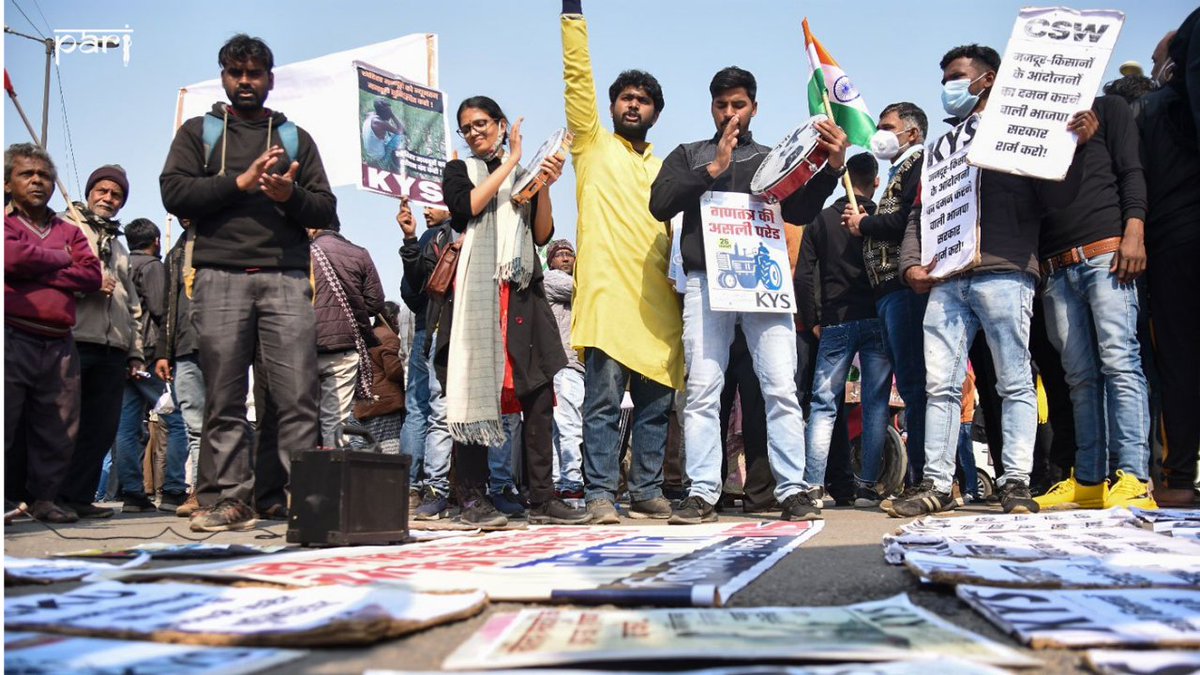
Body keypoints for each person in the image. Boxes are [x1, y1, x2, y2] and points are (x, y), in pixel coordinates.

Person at [894, 44, 1094, 518]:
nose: (950, 88)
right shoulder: (941, 149)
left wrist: (1076, 148)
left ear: (988, 79)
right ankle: (937, 483)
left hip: (1005, 271)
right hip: (945, 280)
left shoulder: (1025, 131)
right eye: (944, 79)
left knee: (1014, 380)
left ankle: (1017, 482)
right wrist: (909, 265)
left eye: (958, 77)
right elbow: (919, 215)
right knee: (941, 385)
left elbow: (1059, 197)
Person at [649, 66, 848, 523]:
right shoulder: (688, 154)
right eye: (721, 105)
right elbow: (660, 203)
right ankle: (702, 492)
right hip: (705, 282)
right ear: (711, 108)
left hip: (763, 281)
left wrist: (832, 169)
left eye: (738, 105)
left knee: (780, 386)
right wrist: (713, 170)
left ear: (754, 107)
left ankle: (793, 489)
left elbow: (799, 208)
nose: (730, 113)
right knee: (702, 390)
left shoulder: (773, 158)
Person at [160, 33, 335, 531]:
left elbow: (326, 208)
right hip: (219, 277)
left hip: (284, 279)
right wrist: (236, 184)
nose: (244, 82)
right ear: (223, 77)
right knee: (225, 394)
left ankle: (305, 499)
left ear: (269, 80)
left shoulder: (296, 138)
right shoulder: (199, 133)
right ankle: (231, 499)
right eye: (236, 73)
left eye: (254, 73)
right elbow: (174, 191)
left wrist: (287, 195)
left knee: (297, 395)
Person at [436, 95, 590, 527]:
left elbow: (541, 236)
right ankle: (470, 497)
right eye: (467, 127)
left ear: (502, 125)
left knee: (539, 396)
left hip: (522, 293)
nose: (474, 132)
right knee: (474, 391)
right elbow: (467, 207)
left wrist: (542, 185)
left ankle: (542, 498)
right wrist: (515, 161)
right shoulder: (459, 171)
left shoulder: (523, 174)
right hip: (477, 297)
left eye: (482, 123)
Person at [562, 0, 683, 523]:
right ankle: (600, 495)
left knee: (656, 408)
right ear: (610, 107)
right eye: (626, 98)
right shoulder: (591, 145)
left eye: (644, 100)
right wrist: (572, 16)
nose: (634, 105)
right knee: (604, 406)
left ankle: (648, 489)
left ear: (656, 111)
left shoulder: (667, 163)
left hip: (660, 301)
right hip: (609, 299)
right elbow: (577, 79)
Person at [1034, 94, 1156, 511]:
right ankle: (1089, 478)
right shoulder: (1032, 125)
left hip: (1105, 254)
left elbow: (1132, 171)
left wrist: (1134, 232)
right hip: (1055, 267)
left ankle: (1134, 477)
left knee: (1120, 361)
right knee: (1079, 377)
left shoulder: (1107, 108)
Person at [4, 143, 102, 523]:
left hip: (60, 341)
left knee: (58, 426)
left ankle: (45, 499)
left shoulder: (68, 229)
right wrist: (61, 260)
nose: (37, 182)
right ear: (8, 183)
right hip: (11, 334)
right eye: (27, 174)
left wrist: (34, 267)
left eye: (44, 175)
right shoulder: (6, 223)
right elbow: (8, 258)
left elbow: (91, 275)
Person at [797, 152, 893, 508]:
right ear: (877, 181)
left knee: (823, 404)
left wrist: (814, 319)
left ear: (844, 180)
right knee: (875, 403)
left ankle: (813, 486)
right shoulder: (883, 219)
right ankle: (866, 486)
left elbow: (805, 275)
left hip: (835, 320)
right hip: (876, 318)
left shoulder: (820, 221)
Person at [843, 102, 929, 494]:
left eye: (887, 126)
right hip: (887, 292)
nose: (880, 133)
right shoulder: (900, 170)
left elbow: (906, 221)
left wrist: (866, 223)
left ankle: (921, 476)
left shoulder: (920, 166)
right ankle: (918, 476)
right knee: (909, 382)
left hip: (903, 285)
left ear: (911, 133)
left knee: (914, 381)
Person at [58, 164, 146, 520]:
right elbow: (49, 277)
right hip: (74, 339)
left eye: (116, 195)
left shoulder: (121, 247)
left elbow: (133, 305)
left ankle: (78, 497)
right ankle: (45, 497)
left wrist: (135, 352)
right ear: (90, 191)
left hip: (113, 349)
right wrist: (87, 283)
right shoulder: (65, 227)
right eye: (103, 191)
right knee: (62, 425)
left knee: (101, 428)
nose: (108, 199)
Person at [1140, 11, 1200, 507]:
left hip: (1174, 243)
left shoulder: (1152, 110)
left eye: (1159, 58)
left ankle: (1179, 476)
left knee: (1178, 359)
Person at [114, 218, 190, 513]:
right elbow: (161, 310)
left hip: (123, 353)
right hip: (148, 354)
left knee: (126, 426)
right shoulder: (153, 266)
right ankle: (173, 490)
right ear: (156, 240)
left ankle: (133, 494)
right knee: (178, 420)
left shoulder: (120, 263)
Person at [399, 200, 458, 518]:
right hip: (437, 330)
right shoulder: (434, 237)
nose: (425, 210)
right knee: (434, 409)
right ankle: (431, 485)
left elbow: (409, 291)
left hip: (428, 327)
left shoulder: (434, 237)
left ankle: (411, 487)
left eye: (432, 203)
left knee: (419, 409)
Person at [310, 218, 385, 445]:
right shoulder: (360, 253)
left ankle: (298, 475)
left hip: (306, 346)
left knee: (301, 418)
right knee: (335, 422)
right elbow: (375, 303)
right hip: (345, 347)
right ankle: (330, 475)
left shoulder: (304, 252)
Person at [154, 218, 207, 517]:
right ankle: (199, 491)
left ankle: (231, 490)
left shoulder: (226, 243)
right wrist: (164, 351)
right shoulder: (175, 254)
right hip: (186, 347)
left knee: (228, 422)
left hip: (225, 346)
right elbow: (168, 306)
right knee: (195, 426)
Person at [543, 238, 585, 500]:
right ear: (551, 261)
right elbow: (584, 289)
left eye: (570, 254)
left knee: (560, 427)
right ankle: (571, 480)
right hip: (564, 364)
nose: (567, 258)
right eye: (560, 254)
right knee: (569, 424)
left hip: (571, 365)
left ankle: (560, 482)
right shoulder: (553, 279)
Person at [353, 301, 406, 455]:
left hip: (365, 403)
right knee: (388, 451)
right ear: (392, 318)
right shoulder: (389, 337)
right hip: (385, 404)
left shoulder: (367, 336)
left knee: (369, 452)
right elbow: (394, 371)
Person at [363, 98, 406, 173]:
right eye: (388, 111)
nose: (389, 113)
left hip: (370, 152)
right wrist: (392, 115)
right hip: (379, 156)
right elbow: (402, 130)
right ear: (384, 113)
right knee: (400, 136)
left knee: (390, 135)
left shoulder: (370, 115)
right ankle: (392, 163)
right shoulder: (381, 123)